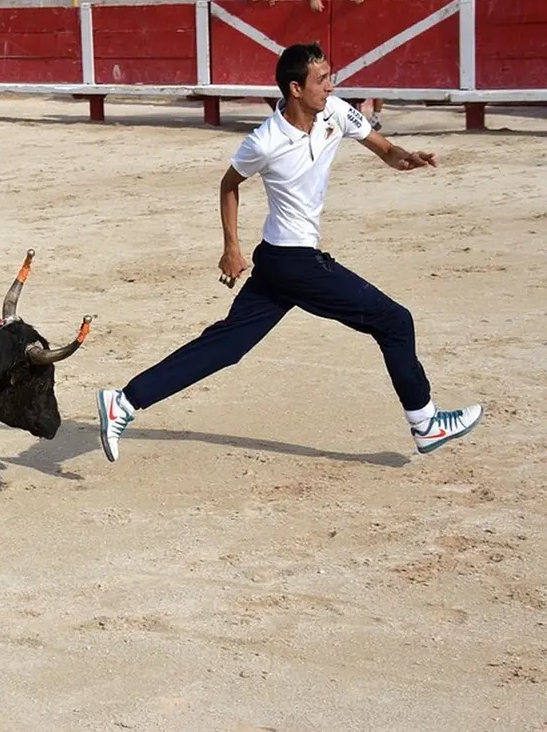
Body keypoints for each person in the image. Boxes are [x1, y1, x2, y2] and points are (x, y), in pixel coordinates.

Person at [95, 42, 482, 464]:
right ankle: (425, 423)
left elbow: (385, 149)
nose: (330, 86)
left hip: (280, 262)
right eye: (321, 80)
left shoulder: (333, 111)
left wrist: (407, 158)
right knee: (394, 321)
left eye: (330, 76)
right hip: (295, 262)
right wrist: (231, 248)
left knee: (226, 347)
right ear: (295, 89)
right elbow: (228, 185)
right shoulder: (265, 141)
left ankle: (125, 402)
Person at [301, 0, 385, 129]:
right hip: (347, 22)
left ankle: (376, 115)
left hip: (372, 19)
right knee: (347, 65)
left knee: (376, 66)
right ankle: (350, 112)